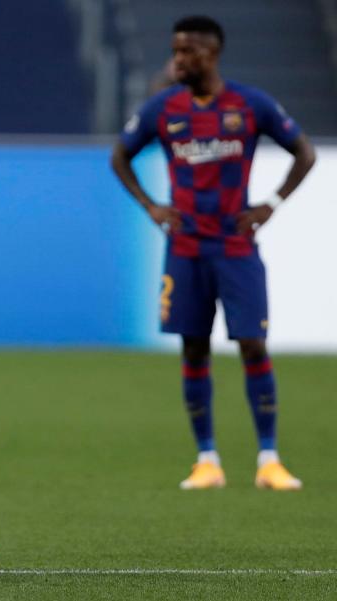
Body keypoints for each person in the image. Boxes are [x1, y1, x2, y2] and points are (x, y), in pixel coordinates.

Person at [110, 16, 316, 490]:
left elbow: (304, 152)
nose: (178, 59)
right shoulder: (164, 108)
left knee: (252, 344)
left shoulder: (250, 104)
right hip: (184, 248)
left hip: (236, 245)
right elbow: (119, 155)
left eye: (187, 52)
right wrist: (151, 206)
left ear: (211, 53)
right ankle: (207, 460)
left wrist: (273, 203)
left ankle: (269, 460)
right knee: (194, 348)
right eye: (175, 50)